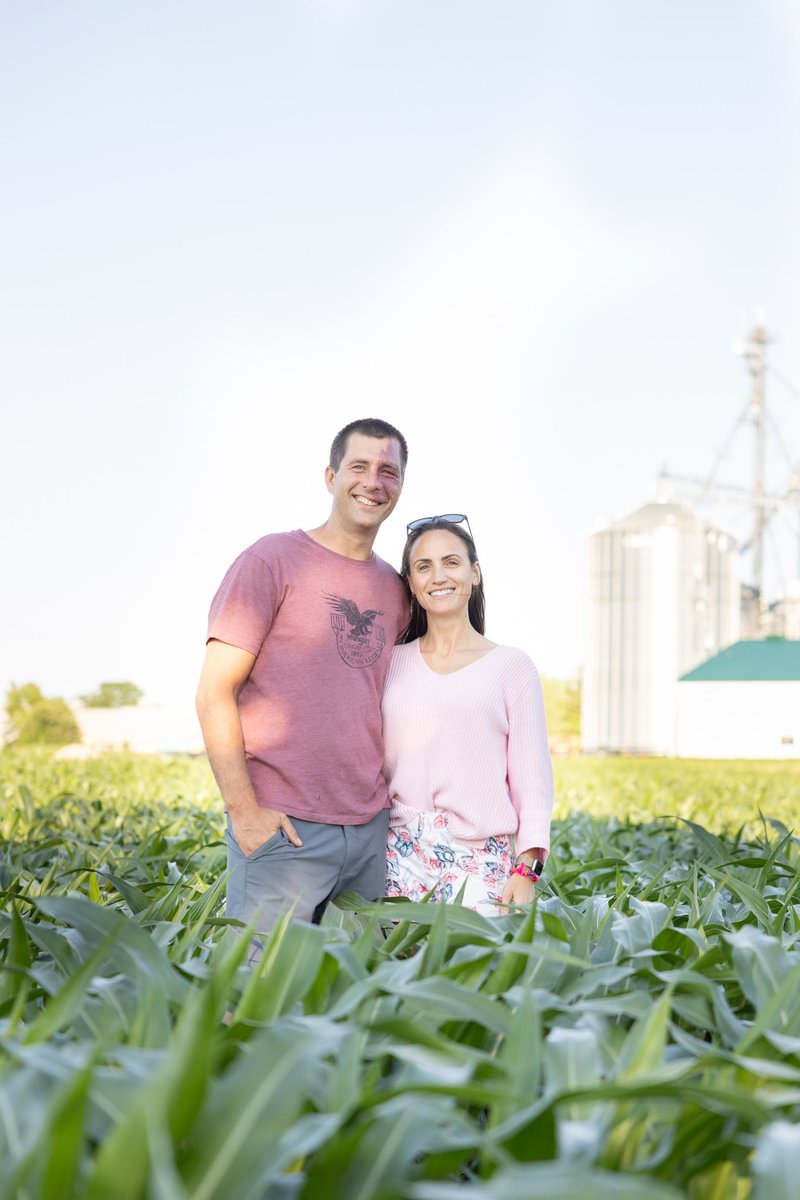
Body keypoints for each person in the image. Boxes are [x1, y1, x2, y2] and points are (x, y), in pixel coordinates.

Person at [196, 418, 409, 934]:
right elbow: (213, 693)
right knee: (254, 993)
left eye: (388, 471)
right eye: (358, 466)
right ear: (330, 476)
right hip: (284, 827)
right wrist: (244, 811)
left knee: (360, 997)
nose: (373, 481)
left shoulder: (398, 591)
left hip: (370, 835)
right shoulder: (271, 560)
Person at [382, 515, 553, 916]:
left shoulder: (512, 667)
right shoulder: (389, 663)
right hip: (396, 854)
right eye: (423, 566)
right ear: (411, 582)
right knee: (393, 971)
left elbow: (533, 782)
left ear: (475, 574)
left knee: (473, 968)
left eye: (451, 562)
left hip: (478, 857)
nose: (438, 576)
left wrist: (527, 870)